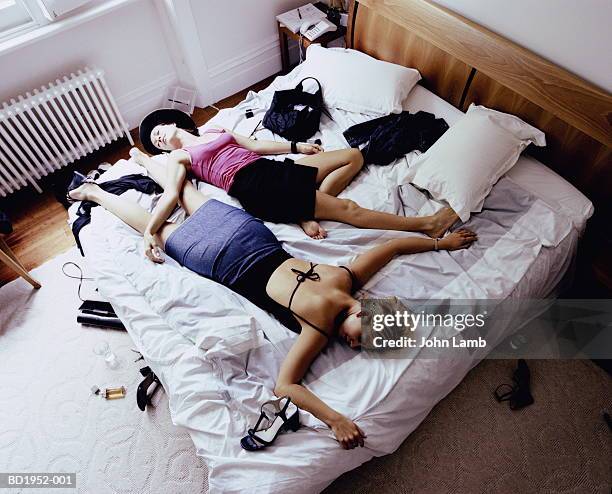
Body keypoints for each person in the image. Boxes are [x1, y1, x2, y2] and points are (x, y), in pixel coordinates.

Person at [68, 165, 477, 450]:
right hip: (250, 238)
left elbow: (286, 386)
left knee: (157, 224)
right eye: (362, 340)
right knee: (189, 198)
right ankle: (145, 168)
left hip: (221, 259)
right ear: (368, 312)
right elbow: (391, 246)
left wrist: (335, 418)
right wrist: (439, 242)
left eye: (360, 349)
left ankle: (98, 192)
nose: (353, 346)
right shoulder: (346, 283)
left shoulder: (320, 326)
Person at [133, 109, 459, 262]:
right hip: (255, 187)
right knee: (348, 210)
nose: (159, 138)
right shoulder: (180, 158)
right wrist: (150, 230)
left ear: (171, 122)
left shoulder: (215, 129)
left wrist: (296, 147)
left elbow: (256, 146)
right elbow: (172, 195)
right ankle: (426, 224)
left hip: (270, 169)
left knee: (353, 157)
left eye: (158, 131)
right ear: (165, 151)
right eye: (156, 143)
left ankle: (305, 210)